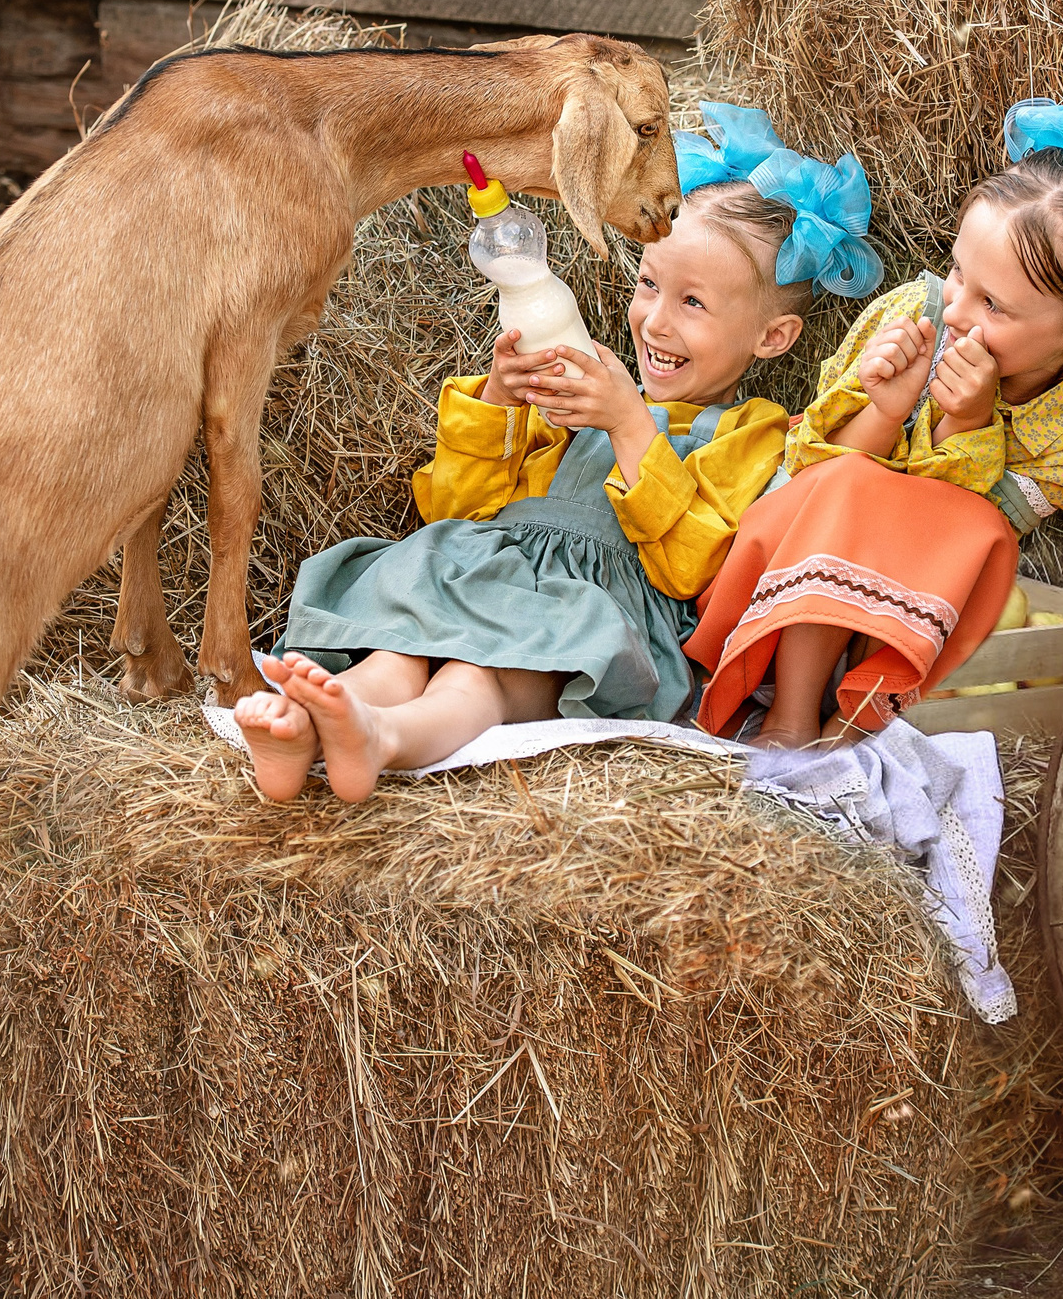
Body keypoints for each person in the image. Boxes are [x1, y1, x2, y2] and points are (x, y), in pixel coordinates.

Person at [233, 120, 882, 803]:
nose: (656, 321)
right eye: (649, 284)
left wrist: (631, 425)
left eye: (693, 302)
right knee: (401, 646)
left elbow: (696, 568)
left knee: (476, 675)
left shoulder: (752, 433)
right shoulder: (588, 383)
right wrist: (501, 399)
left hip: (592, 607)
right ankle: (308, 724)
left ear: (772, 336)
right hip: (495, 566)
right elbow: (458, 508)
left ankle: (381, 739)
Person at [686, 90, 1063, 748]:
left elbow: (952, 534)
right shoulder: (910, 315)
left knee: (980, 539)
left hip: (911, 602)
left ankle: (856, 721)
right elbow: (809, 467)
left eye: (993, 304)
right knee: (855, 487)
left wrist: (965, 425)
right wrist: (887, 408)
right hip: (794, 559)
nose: (956, 309)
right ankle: (790, 715)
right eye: (956, 272)